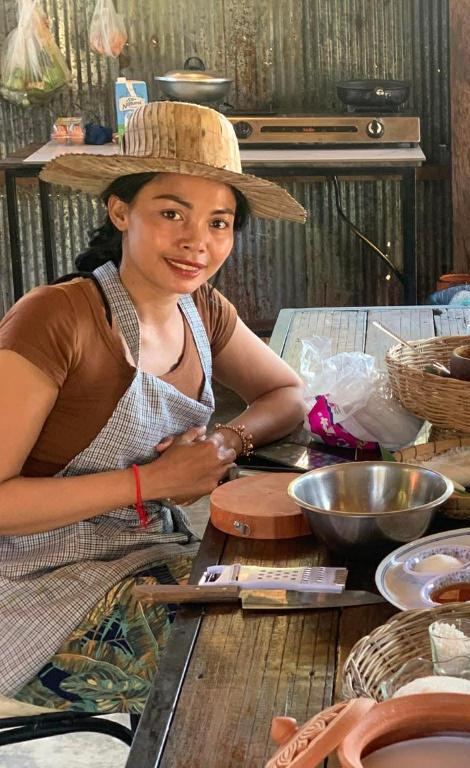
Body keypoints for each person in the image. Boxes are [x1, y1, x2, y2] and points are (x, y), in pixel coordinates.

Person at [0, 101, 309, 711]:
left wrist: (226, 443)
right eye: (172, 213)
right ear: (120, 211)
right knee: (246, 669)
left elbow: (288, 394)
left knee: (306, 607)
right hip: (31, 586)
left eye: (220, 223)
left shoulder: (205, 312)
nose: (197, 242)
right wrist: (151, 481)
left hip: (146, 555)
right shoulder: (55, 318)